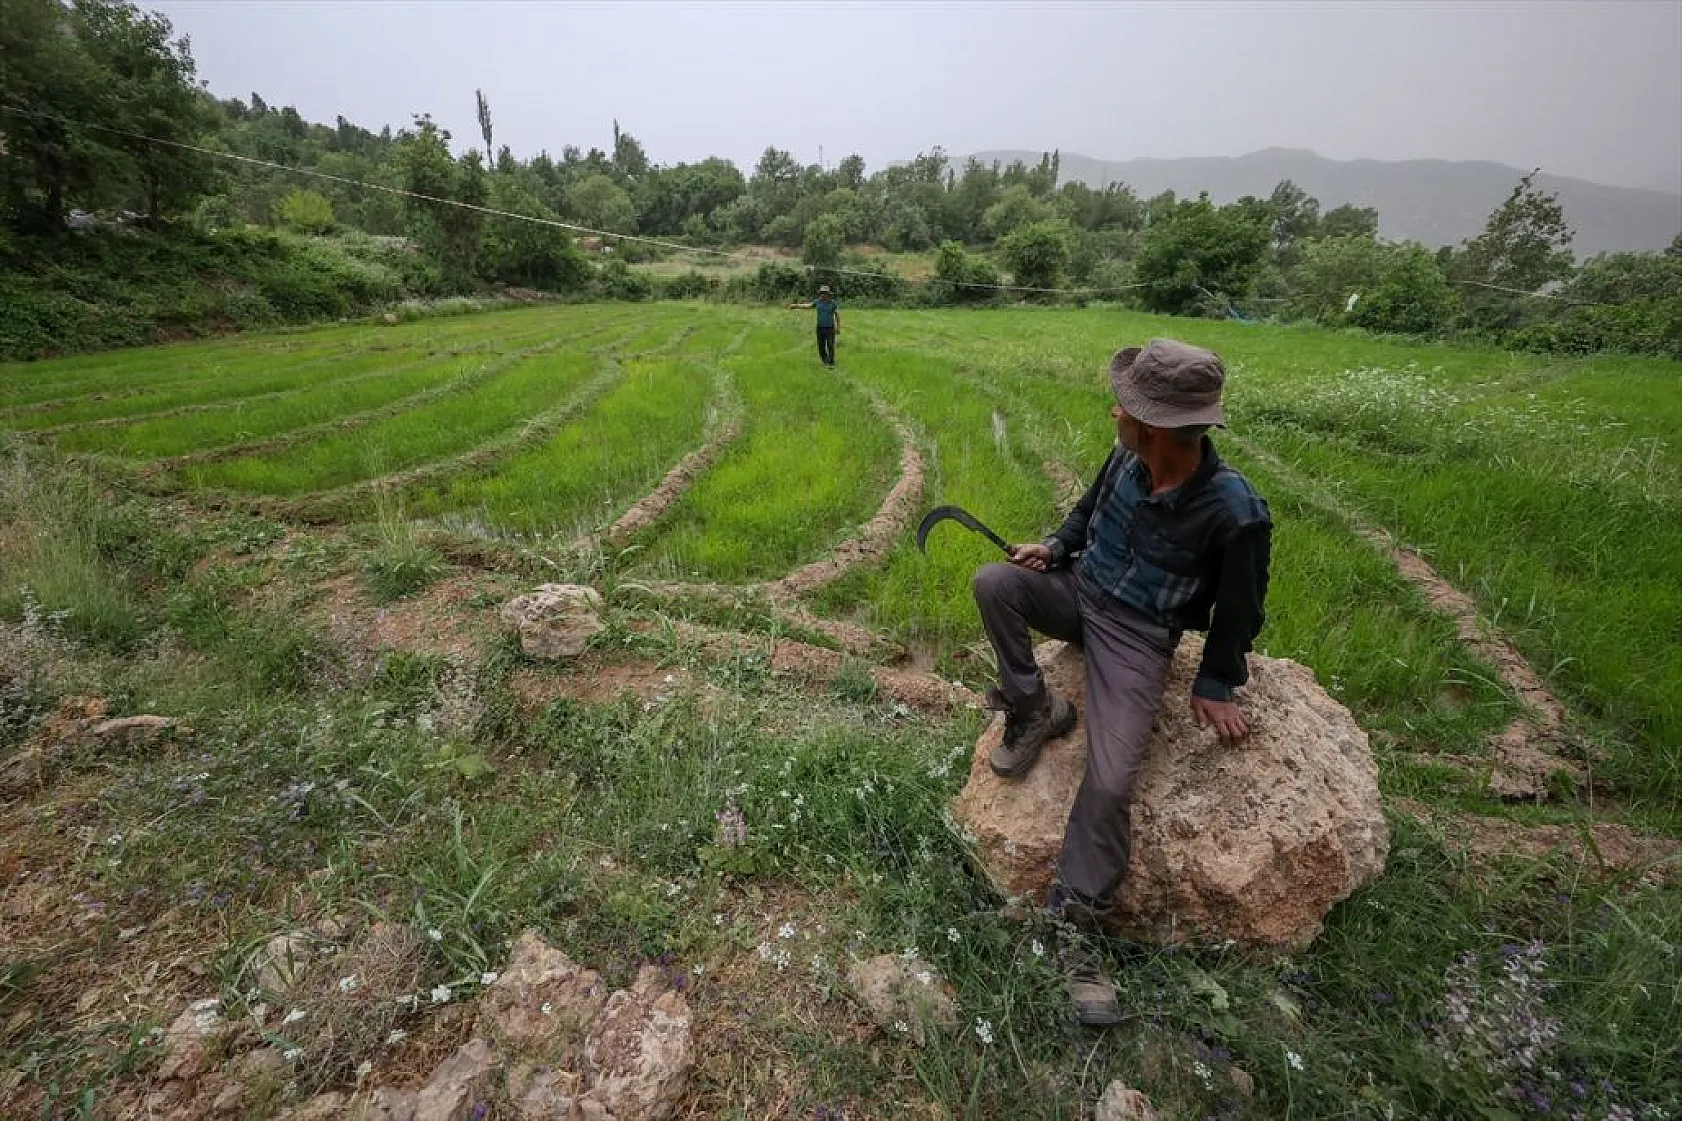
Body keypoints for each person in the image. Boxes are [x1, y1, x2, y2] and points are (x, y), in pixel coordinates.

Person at [971, 339, 1271, 1027]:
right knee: (994, 583)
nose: (1116, 412)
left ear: (1159, 427)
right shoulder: (1126, 458)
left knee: (1108, 778)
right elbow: (1083, 515)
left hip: (1138, 636)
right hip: (1081, 591)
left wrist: (1219, 679)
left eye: (1128, 408)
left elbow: (1242, 606)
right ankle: (1035, 705)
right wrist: (1054, 546)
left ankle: (1077, 926)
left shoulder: (1234, 510)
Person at [788, 284, 841, 366]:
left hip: (830, 328)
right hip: (820, 328)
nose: (823, 294)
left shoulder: (833, 303)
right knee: (821, 346)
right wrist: (796, 306)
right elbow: (807, 306)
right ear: (820, 294)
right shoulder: (817, 302)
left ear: (828, 294)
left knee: (830, 345)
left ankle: (831, 363)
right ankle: (825, 361)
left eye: (825, 293)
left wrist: (838, 328)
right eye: (822, 293)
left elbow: (837, 316)